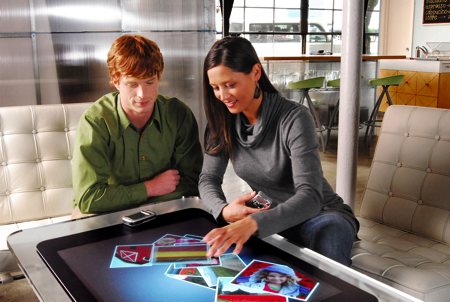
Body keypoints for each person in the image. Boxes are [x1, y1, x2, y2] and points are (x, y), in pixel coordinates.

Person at [199, 36, 359, 266]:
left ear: (255, 73)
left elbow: (311, 196)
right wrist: (224, 211)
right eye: (216, 88)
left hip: (322, 215)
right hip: (269, 216)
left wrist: (254, 224)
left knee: (328, 237)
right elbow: (207, 179)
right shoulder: (221, 121)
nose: (223, 96)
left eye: (230, 85)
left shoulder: (294, 118)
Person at [72, 34, 203, 214]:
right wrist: (150, 188)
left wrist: (137, 204)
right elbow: (89, 198)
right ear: (116, 81)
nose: (142, 94)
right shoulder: (96, 121)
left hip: (163, 211)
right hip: (105, 216)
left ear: (159, 77)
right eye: (132, 84)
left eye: (150, 82)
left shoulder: (178, 115)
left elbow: (192, 183)